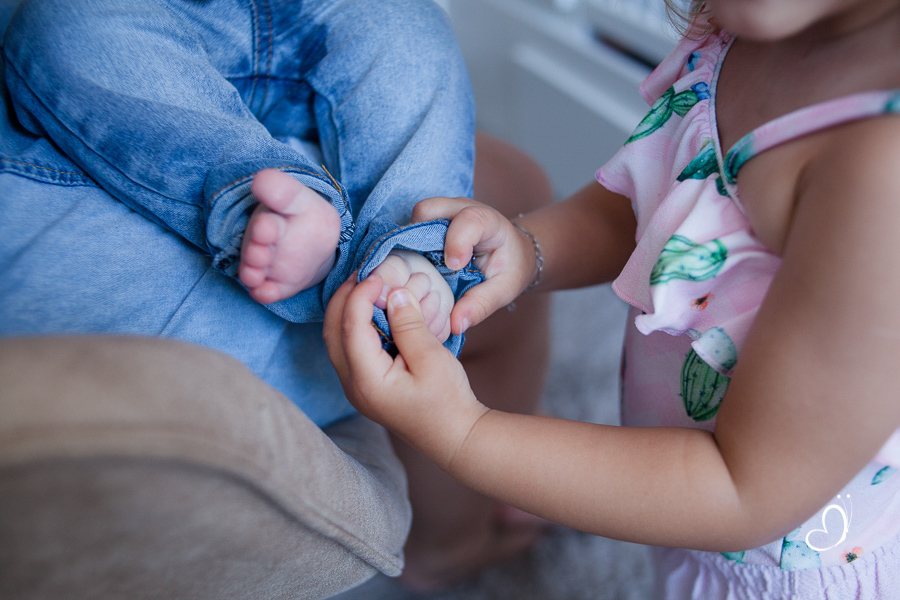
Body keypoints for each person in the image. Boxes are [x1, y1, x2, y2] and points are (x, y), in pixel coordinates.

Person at [325, 0, 900, 597]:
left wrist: (464, 434)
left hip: (774, 568)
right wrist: (527, 247)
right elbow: (664, 199)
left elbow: (742, 490)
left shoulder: (882, 175)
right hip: (692, 509)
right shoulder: (744, 26)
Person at [0, 0, 551, 589]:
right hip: (86, 243)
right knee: (67, 20)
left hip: (208, 73)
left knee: (405, 22)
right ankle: (446, 543)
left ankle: (398, 253)